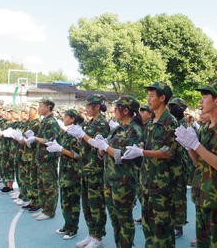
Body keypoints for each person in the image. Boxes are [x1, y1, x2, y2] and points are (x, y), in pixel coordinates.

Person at [175, 83, 217, 248]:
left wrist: (196, 145)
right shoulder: (205, 128)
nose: (201, 100)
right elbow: (199, 163)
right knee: (203, 244)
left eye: (205, 97)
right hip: (202, 195)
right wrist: (189, 147)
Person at [121, 81, 179, 247]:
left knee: (162, 229)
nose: (149, 98)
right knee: (148, 226)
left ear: (162, 98)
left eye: (152, 95)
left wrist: (142, 152)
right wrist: (138, 148)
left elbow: (168, 152)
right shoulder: (151, 122)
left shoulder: (170, 122)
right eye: (148, 94)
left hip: (162, 185)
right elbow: (147, 146)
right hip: (147, 182)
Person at [97, 95, 143, 248]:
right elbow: (107, 152)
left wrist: (106, 147)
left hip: (124, 181)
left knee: (124, 219)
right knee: (115, 218)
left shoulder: (134, 130)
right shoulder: (117, 128)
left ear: (125, 110)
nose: (113, 110)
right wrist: (101, 148)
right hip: (110, 178)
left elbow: (124, 155)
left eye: (116, 108)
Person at [69, 95, 110, 248]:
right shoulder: (89, 123)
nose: (86, 109)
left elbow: (98, 145)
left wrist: (83, 135)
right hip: (85, 168)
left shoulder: (102, 123)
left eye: (89, 106)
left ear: (97, 107)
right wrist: (80, 137)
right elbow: (84, 143)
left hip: (95, 170)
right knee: (86, 204)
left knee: (96, 204)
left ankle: (98, 237)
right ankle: (91, 233)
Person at [45, 109, 84, 240]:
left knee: (73, 202)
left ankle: (73, 228)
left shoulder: (76, 134)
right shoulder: (67, 133)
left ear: (72, 119)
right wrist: (55, 146)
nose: (63, 119)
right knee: (65, 201)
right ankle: (67, 225)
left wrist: (61, 149)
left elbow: (77, 155)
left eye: (66, 117)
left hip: (74, 173)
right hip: (65, 171)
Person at [30, 98, 61, 221]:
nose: (39, 108)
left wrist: (35, 138)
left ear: (48, 107)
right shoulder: (44, 121)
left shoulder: (51, 122)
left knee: (50, 186)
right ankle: (44, 208)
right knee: (42, 185)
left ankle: (49, 211)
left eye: (41, 106)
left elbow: (51, 141)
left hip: (48, 159)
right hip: (42, 158)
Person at [168, 97, 189, 238]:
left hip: (180, 165)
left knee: (179, 196)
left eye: (174, 106)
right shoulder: (172, 121)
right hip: (170, 165)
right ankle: (172, 222)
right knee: (170, 195)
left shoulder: (183, 123)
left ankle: (178, 225)